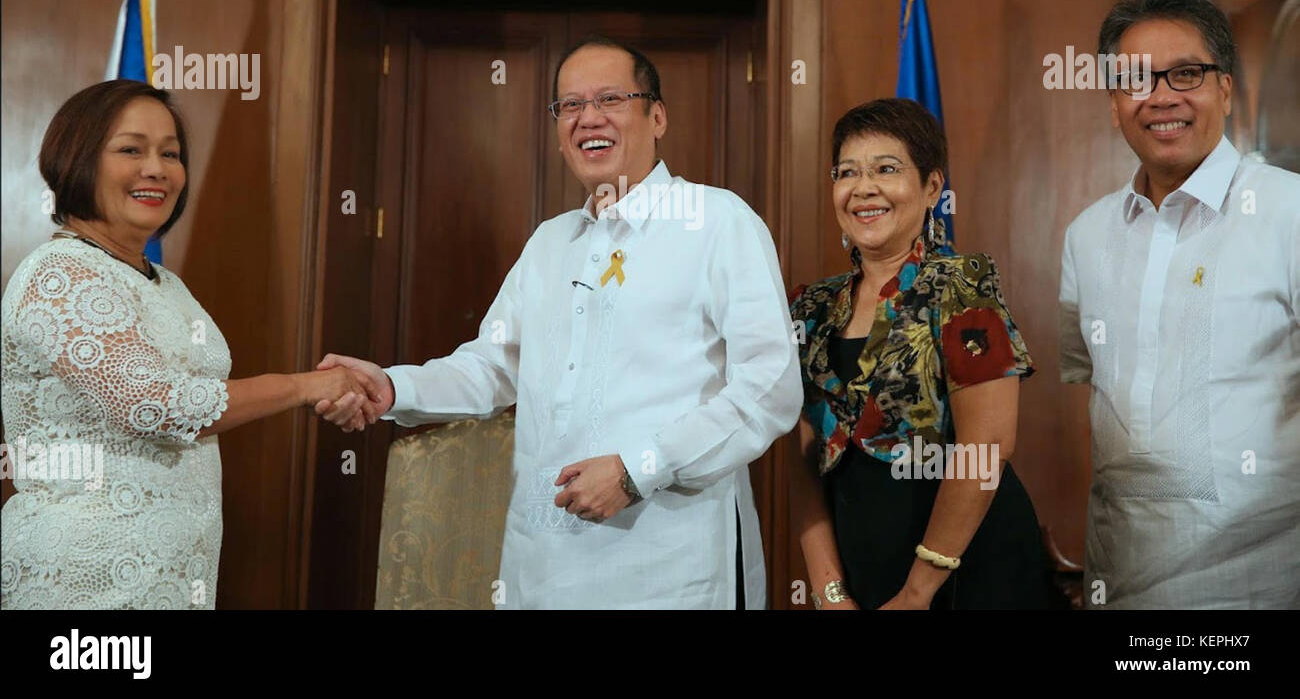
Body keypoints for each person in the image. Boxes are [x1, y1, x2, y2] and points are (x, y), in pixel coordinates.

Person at [317, 36, 802, 609]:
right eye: (569, 105)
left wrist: (635, 471)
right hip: (541, 570)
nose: (587, 118)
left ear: (658, 116)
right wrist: (393, 386)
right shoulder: (550, 243)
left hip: (672, 568)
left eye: (610, 99)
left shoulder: (717, 220)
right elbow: (491, 367)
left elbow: (769, 387)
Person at [0, 80, 369, 609]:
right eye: (131, 149)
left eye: (170, 153)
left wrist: (326, 391)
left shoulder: (164, 283)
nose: (157, 169)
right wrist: (304, 386)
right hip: (83, 582)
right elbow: (157, 405)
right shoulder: (59, 273)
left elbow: (199, 400)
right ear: (75, 159)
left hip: (170, 577)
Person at [1060, 0, 1300, 609]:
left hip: (1261, 587)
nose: (1161, 96)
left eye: (1186, 74)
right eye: (1136, 79)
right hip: (1119, 582)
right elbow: (1094, 386)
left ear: (1224, 88)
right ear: (1114, 103)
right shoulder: (1086, 236)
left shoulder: (1288, 212)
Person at [789, 98, 1051, 609]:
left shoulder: (961, 287)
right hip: (859, 566)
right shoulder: (810, 307)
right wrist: (829, 590)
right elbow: (800, 460)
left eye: (886, 169)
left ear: (932, 187)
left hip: (964, 573)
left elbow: (988, 445)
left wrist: (917, 593)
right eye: (847, 173)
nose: (863, 188)